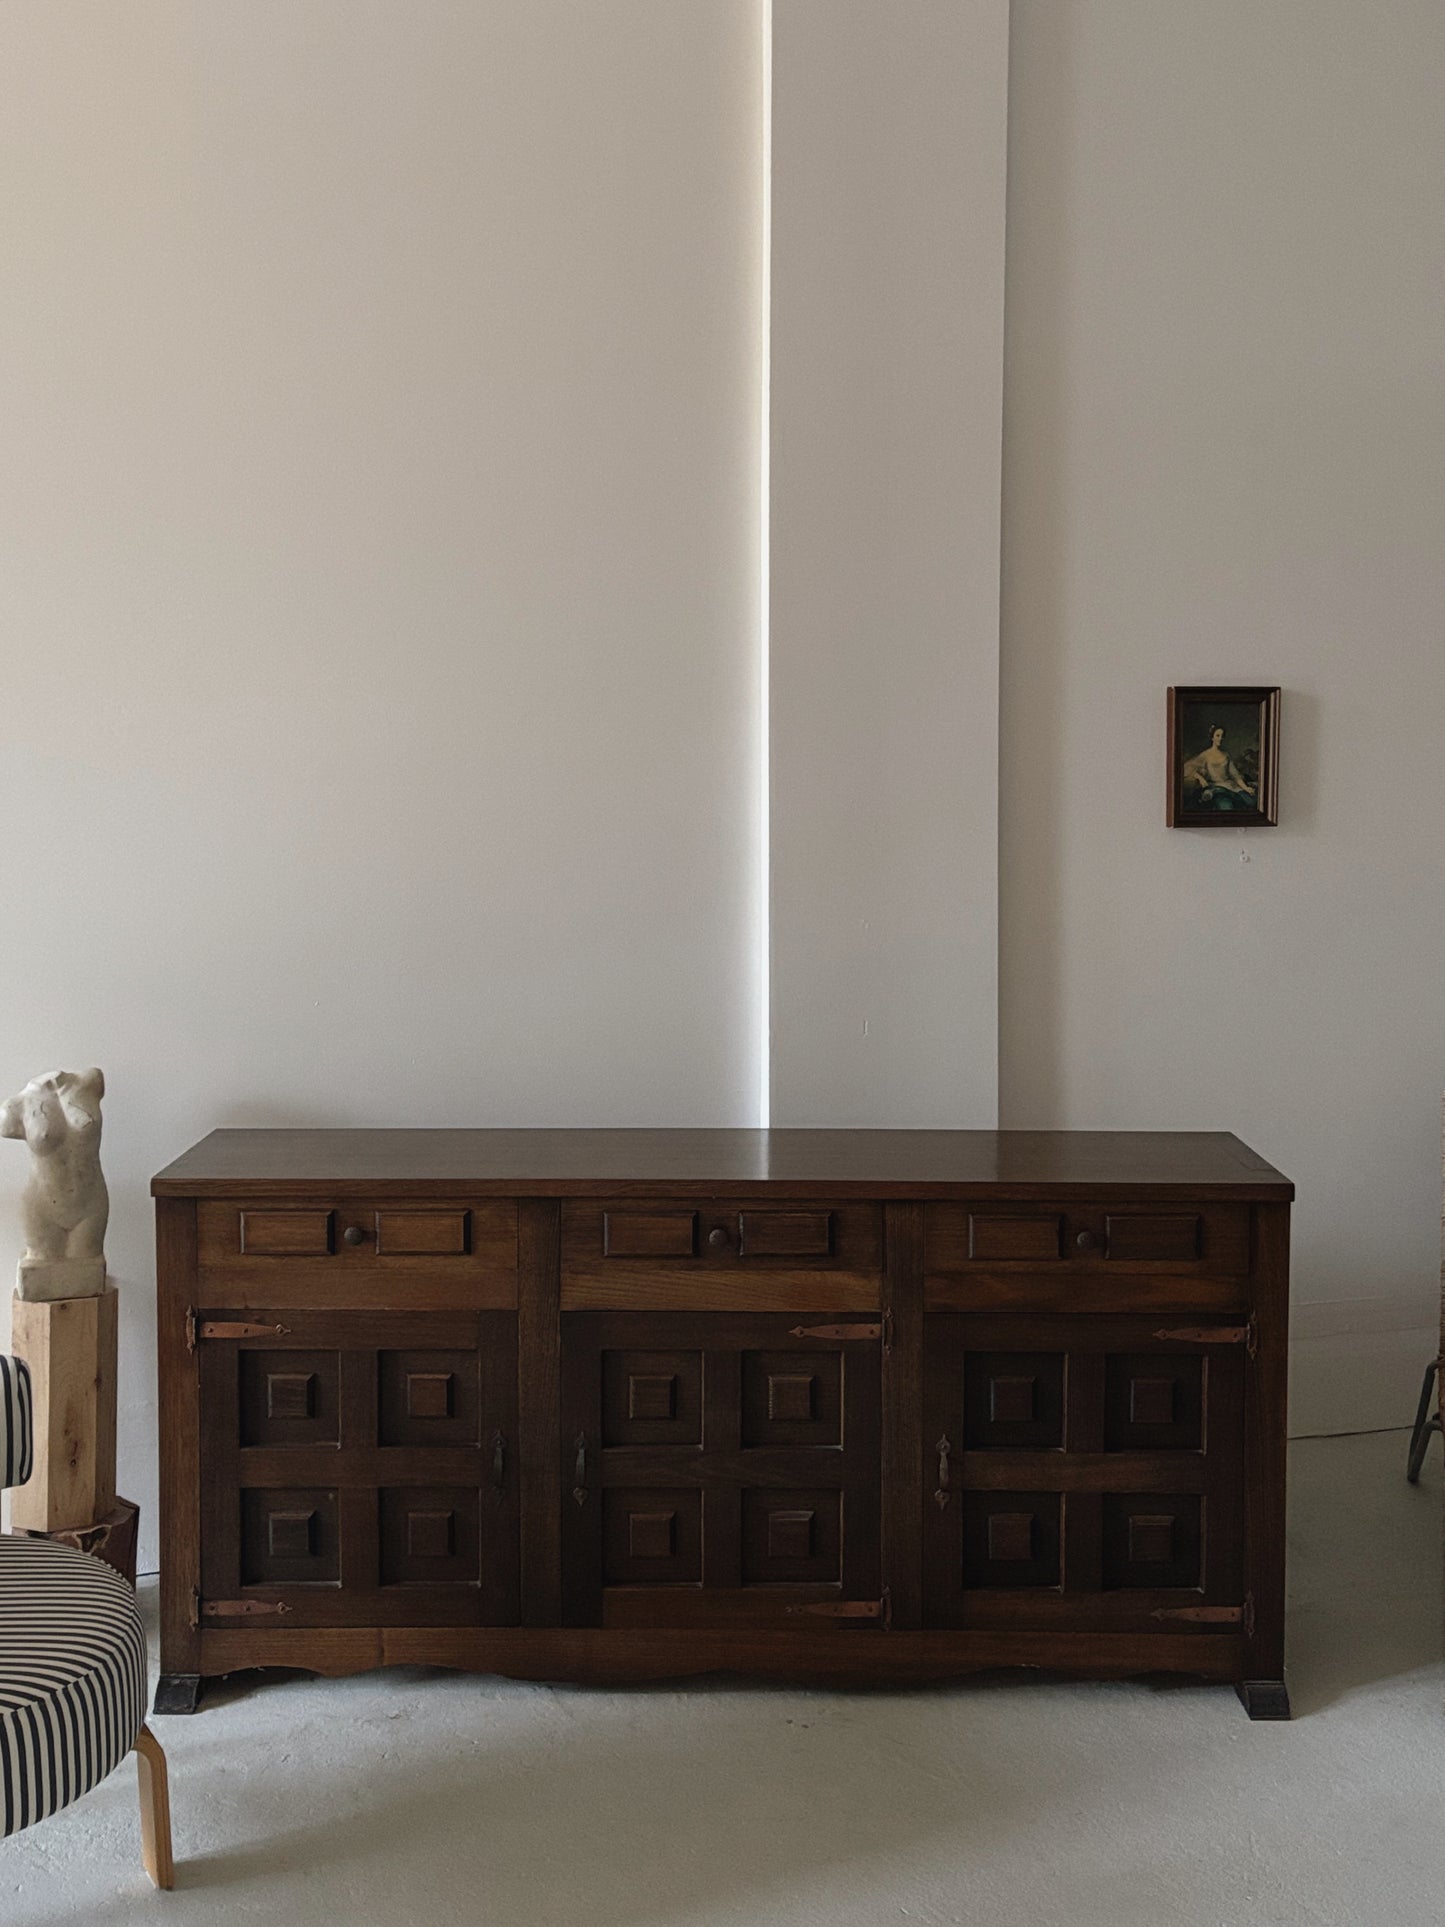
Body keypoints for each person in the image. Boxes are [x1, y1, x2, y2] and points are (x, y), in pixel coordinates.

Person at [1181, 724, 1256, 811]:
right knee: (1226, 807)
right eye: (1217, 735)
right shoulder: (1205, 755)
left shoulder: (1226, 755)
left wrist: (1246, 788)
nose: (1220, 738)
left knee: (1252, 802)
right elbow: (1186, 767)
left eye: (1222, 736)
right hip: (1216, 788)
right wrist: (1200, 777)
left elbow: (1235, 775)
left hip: (1231, 787)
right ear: (1212, 737)